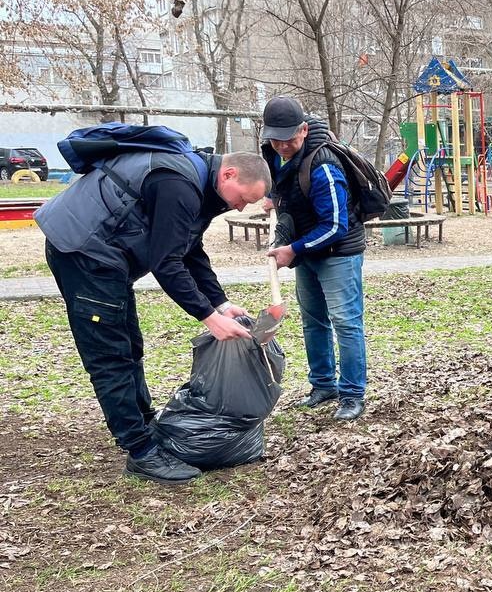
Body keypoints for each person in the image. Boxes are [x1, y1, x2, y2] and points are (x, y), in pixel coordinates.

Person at [39, 133, 270, 484]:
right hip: (83, 253)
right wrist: (209, 318)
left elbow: (189, 250)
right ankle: (141, 451)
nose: (240, 208)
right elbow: (167, 264)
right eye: (242, 199)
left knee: (130, 345)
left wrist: (220, 303)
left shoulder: (199, 185)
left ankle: (145, 425)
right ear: (229, 174)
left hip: (106, 258)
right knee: (111, 355)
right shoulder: (178, 184)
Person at [261, 96, 368, 422]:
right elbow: (285, 183)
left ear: (304, 130)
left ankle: (352, 394)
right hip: (308, 251)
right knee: (314, 321)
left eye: (289, 138)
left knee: (346, 324)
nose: (282, 145)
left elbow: (336, 226)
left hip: (338, 254)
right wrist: (272, 196)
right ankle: (323, 385)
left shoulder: (323, 165)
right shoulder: (275, 153)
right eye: (275, 138)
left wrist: (293, 250)